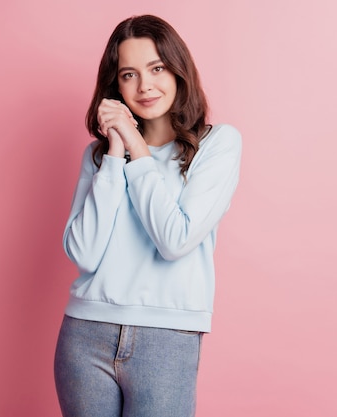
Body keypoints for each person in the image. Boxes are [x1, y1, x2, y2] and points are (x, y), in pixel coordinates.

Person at [54, 14, 242, 417]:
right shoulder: (101, 157)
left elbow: (175, 240)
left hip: (167, 338)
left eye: (156, 68)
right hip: (85, 335)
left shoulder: (217, 145)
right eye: (129, 74)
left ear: (178, 70)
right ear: (115, 85)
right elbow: (84, 254)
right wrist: (116, 152)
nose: (145, 86)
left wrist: (136, 146)